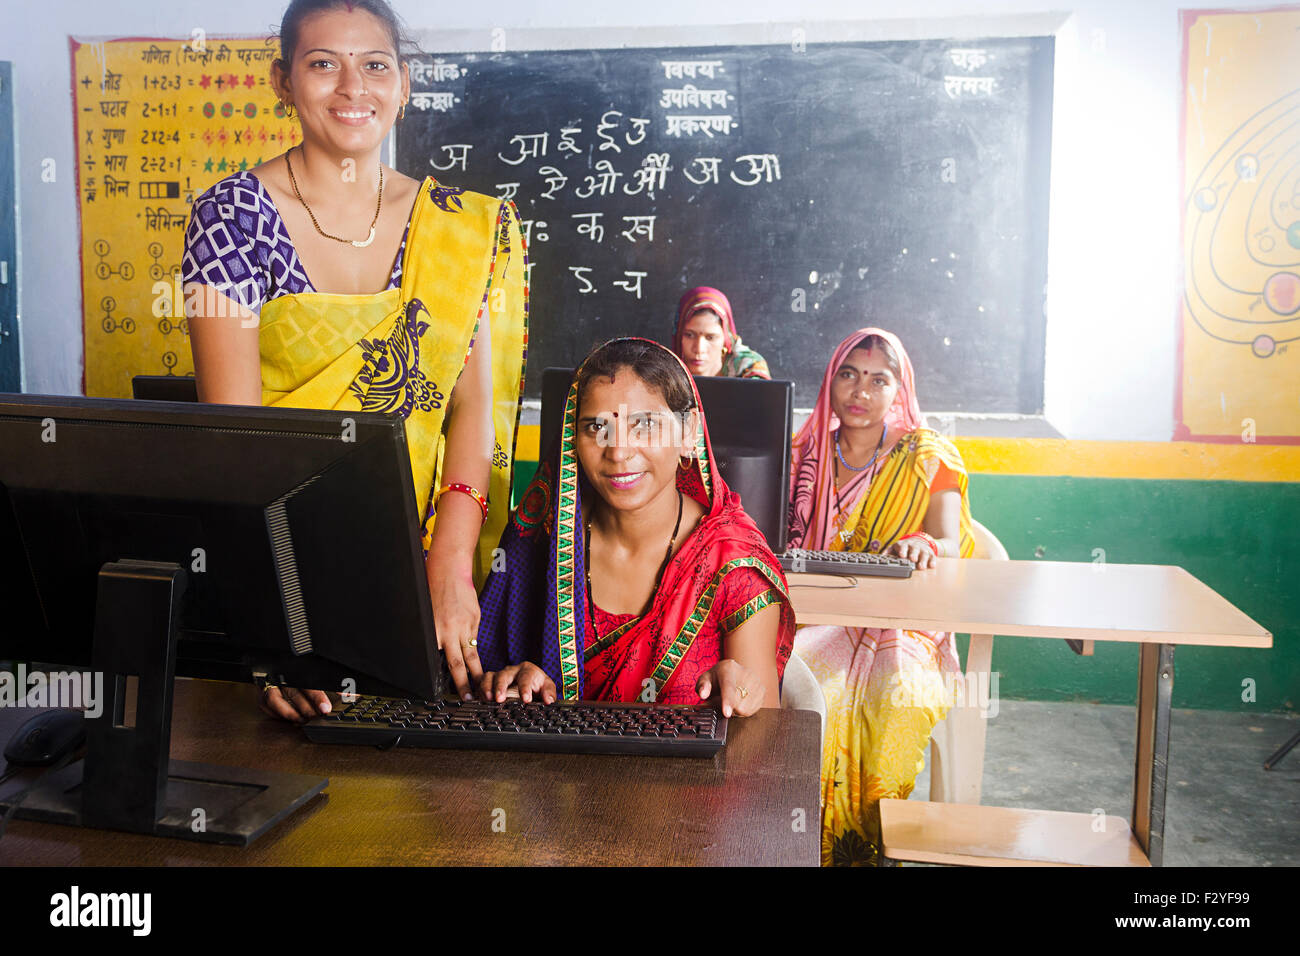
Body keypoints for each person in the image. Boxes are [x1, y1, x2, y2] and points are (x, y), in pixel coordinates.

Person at [181, 0, 527, 716]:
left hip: (428, 569)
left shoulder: (459, 227)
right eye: (322, 64)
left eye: (374, 65)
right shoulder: (230, 219)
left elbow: (471, 408)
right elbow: (235, 444)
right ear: (282, 80)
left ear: (403, 85)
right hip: (284, 568)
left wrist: (451, 568)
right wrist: (276, 626)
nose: (352, 88)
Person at [476, 338, 795, 713]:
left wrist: (741, 700)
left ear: (687, 430)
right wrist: (516, 687)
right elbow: (478, 687)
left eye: (643, 424)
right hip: (550, 770)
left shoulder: (736, 565)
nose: (618, 451)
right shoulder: (539, 539)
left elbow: (763, 743)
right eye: (595, 426)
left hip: (687, 774)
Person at [787, 327, 976, 866]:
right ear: (832, 381)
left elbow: (946, 540)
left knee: (895, 697)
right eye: (849, 374)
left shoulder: (925, 455)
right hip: (818, 611)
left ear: (900, 391)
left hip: (902, 622)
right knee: (801, 683)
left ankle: (864, 848)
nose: (860, 391)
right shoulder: (805, 451)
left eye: (878, 379)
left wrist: (921, 542)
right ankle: (795, 845)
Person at [671, 287, 771, 380]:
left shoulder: (748, 367)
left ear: (725, 338)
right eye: (689, 335)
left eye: (710, 337)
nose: (699, 349)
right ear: (679, 335)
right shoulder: (667, 370)